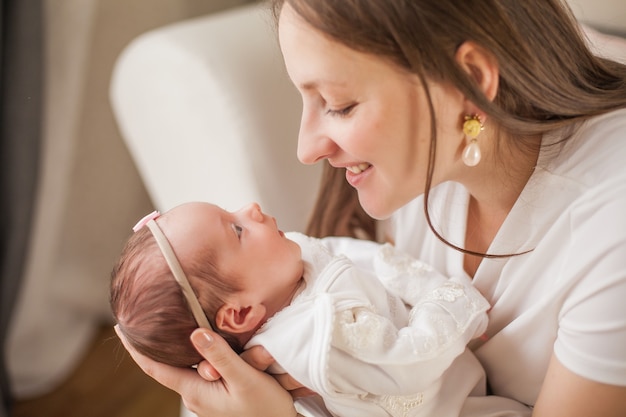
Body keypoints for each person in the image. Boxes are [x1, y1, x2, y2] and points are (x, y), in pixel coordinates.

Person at [115, 0, 626, 416]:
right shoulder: (422, 169)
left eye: (338, 104)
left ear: (469, 79)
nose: (306, 148)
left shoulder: (610, 229)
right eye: (305, 99)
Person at [112, 201, 532, 416]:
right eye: (237, 229)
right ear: (240, 315)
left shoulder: (291, 264)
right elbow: (411, 358)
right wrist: (453, 302)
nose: (252, 208)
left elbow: (364, 258)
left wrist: (419, 281)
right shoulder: (315, 341)